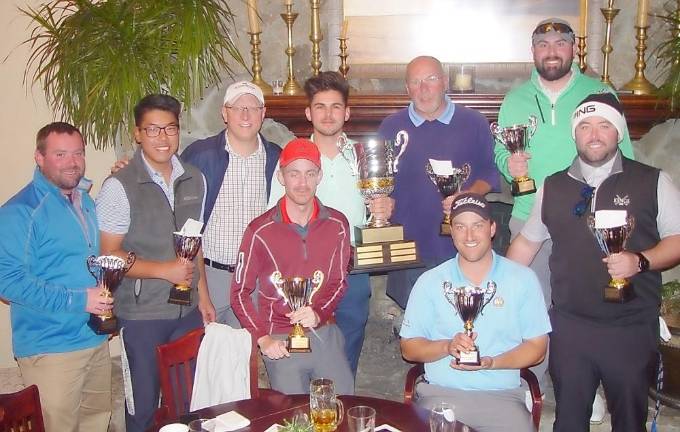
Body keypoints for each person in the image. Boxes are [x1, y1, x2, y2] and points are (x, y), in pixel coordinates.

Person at [507, 93, 680, 431]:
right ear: (575, 134)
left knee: (629, 421)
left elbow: (677, 239)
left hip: (630, 325)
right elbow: (526, 244)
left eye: (604, 125)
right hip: (570, 327)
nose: (594, 133)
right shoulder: (553, 186)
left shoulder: (652, 181)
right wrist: (491, 285)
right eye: (585, 125)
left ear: (619, 132)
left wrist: (640, 261)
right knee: (569, 420)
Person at [495, 17, 635, 307]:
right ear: (533, 52)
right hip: (529, 216)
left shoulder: (600, 93)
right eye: (543, 45)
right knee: (532, 310)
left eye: (560, 43)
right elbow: (500, 152)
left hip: (590, 218)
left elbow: (626, 157)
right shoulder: (514, 99)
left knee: (590, 304)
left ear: (573, 49)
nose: (552, 51)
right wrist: (509, 165)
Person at [96, 94, 210, 432]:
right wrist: (164, 271)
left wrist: (203, 297)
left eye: (170, 128)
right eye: (153, 129)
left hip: (186, 312)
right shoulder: (119, 186)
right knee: (143, 409)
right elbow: (109, 255)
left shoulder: (195, 178)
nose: (163, 138)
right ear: (137, 134)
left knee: (188, 407)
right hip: (141, 315)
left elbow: (195, 242)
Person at [267, 71, 393, 377]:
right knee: (303, 355)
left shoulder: (363, 157)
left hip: (352, 274)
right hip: (304, 277)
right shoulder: (293, 160)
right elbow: (275, 222)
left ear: (347, 113)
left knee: (347, 353)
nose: (328, 114)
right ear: (308, 113)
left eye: (336, 106)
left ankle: (338, 416)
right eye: (320, 106)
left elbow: (373, 211)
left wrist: (384, 209)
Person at [400, 192, 550, 432]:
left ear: (492, 228)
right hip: (440, 398)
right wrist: (446, 346)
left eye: (477, 226)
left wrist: (492, 362)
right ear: (451, 230)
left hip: (503, 399)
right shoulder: (430, 281)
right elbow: (409, 348)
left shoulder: (522, 279)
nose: (469, 236)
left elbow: (537, 349)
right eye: (460, 226)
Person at [0, 122, 113, 432]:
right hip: (51, 350)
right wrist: (82, 299)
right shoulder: (19, 211)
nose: (72, 162)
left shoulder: (85, 201)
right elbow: (8, 283)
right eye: (60, 154)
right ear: (39, 157)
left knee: (97, 424)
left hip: (94, 338)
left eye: (78, 153)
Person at [231, 138, 354, 395]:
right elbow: (239, 292)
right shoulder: (259, 230)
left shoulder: (338, 224)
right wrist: (262, 338)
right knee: (292, 418)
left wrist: (319, 312)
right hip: (279, 337)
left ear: (319, 176)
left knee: (342, 406)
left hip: (323, 330)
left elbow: (338, 282)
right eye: (294, 174)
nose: (302, 183)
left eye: (310, 174)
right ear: (281, 176)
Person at [378, 55, 499, 309]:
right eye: (415, 81)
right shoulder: (391, 127)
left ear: (444, 82)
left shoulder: (474, 122)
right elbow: (380, 181)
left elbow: (490, 173)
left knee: (464, 319)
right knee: (415, 328)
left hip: (462, 248)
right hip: (408, 249)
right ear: (407, 88)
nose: (423, 89)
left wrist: (467, 197)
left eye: (431, 79)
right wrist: (381, 201)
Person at [181, 81, 281, 327]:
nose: (245, 115)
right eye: (237, 107)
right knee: (209, 356)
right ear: (225, 113)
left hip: (255, 279)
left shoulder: (277, 158)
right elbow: (182, 219)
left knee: (247, 356)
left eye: (253, 107)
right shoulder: (199, 156)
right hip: (211, 276)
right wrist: (202, 292)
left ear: (263, 113)